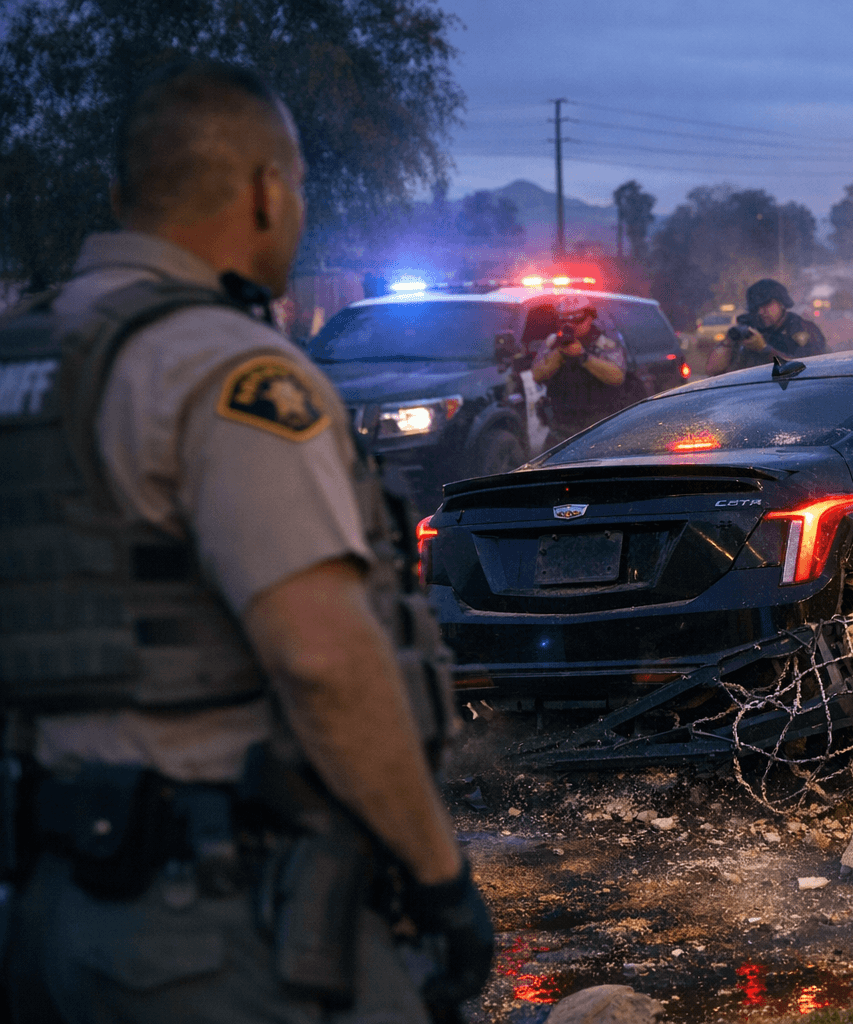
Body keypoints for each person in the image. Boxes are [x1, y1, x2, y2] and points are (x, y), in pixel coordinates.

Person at [0, 61, 491, 1022]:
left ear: (119, 198)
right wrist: (437, 876)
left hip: (46, 897)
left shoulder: (29, 355)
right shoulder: (220, 366)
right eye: (298, 186)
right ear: (268, 191)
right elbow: (322, 659)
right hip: (210, 918)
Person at [530, 292, 628, 447]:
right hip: (561, 425)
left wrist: (583, 357)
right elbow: (537, 375)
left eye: (577, 318)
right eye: (565, 319)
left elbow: (617, 376)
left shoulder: (604, 342)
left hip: (599, 425)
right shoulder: (553, 342)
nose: (571, 324)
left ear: (590, 317)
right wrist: (560, 353)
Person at [705, 278, 826, 375]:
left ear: (781, 303)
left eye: (766, 305)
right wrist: (729, 341)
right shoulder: (750, 327)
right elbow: (712, 370)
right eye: (756, 308)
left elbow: (806, 371)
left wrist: (764, 349)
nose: (761, 312)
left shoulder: (801, 328)